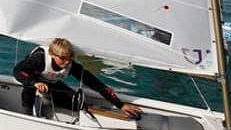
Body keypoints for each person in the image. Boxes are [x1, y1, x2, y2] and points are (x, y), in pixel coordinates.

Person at [13, 38, 142, 118]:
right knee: (29, 87)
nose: (66, 62)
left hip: (50, 83)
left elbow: (96, 84)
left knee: (78, 102)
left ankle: (46, 102)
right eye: (62, 58)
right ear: (52, 54)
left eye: (69, 58)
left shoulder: (72, 66)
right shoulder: (40, 59)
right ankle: (27, 114)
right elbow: (18, 70)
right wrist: (34, 82)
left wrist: (120, 105)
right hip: (31, 79)